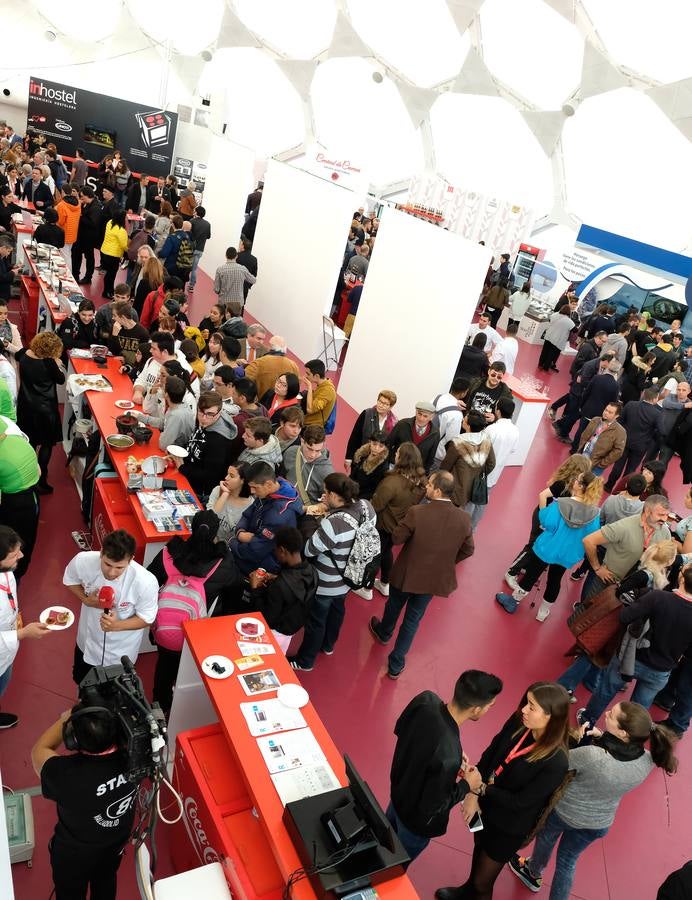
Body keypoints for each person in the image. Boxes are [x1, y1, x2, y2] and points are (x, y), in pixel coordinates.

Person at [511, 701, 677, 900]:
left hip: (565, 813)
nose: (606, 713)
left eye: (612, 715)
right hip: (599, 823)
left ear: (623, 733)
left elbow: (558, 763)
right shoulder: (648, 759)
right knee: (567, 862)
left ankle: (533, 871)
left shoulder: (593, 755)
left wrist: (576, 739)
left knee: (546, 839)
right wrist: (603, 737)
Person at [435, 683, 570, 900]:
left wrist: (480, 789)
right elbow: (492, 752)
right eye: (527, 702)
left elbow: (521, 802)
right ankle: (466, 892)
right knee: (478, 854)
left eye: (532, 706)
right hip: (485, 806)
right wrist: (473, 794)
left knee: (483, 883)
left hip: (508, 827)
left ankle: (473, 891)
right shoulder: (520, 721)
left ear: (550, 716)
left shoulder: (556, 761)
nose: (524, 709)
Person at [387, 671, 503, 861]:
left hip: (397, 797)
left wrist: (449, 758)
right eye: (489, 706)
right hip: (415, 825)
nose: (488, 710)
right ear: (475, 709)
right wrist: (467, 785)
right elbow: (433, 806)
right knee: (393, 867)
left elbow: (402, 730)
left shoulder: (425, 700)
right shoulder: (448, 754)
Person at [369, 470, 474, 678]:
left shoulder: (417, 512)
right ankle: (396, 663)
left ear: (437, 490)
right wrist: (448, 562)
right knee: (413, 620)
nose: (426, 486)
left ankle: (384, 632)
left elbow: (397, 539)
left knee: (394, 605)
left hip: (407, 574)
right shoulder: (464, 518)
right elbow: (468, 549)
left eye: (430, 484)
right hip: (433, 580)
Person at [32, 704, 139, 900]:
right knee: (106, 882)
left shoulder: (64, 775)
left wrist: (66, 717)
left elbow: (39, 751)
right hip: (114, 846)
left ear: (72, 739)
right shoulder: (137, 755)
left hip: (73, 857)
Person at [577, 563, 692, 725]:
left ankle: (587, 720)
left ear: (681, 578)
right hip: (660, 670)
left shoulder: (657, 597)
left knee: (606, 690)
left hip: (631, 658)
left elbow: (625, 616)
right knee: (639, 708)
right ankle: (626, 737)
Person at [148, 510, 238, 713]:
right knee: (192, 672)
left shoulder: (168, 554)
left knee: (164, 668)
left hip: (165, 630)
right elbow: (233, 594)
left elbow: (148, 582)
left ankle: (159, 705)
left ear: (191, 527)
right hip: (200, 633)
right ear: (216, 534)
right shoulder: (223, 564)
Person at [290, 474, 376, 672]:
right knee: (337, 611)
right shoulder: (366, 507)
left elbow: (309, 550)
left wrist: (315, 523)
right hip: (350, 576)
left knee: (316, 620)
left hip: (327, 581)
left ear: (337, 496)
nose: (324, 496)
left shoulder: (334, 523)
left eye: (326, 492)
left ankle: (305, 661)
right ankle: (328, 646)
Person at [496, 471, 603, 621]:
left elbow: (546, 521)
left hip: (547, 548)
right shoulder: (595, 514)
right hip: (567, 553)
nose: (573, 481)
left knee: (532, 574)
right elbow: (591, 535)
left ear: (579, 486)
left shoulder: (562, 504)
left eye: (577, 479)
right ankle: (543, 612)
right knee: (555, 580)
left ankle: (513, 601)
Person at [63, 529, 159, 685]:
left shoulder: (145, 582)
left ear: (131, 560)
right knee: (82, 684)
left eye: (119, 567)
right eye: (107, 564)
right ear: (101, 553)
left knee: (114, 693)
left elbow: (147, 618)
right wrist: (86, 600)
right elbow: (70, 580)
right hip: (87, 641)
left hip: (120, 652)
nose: (112, 572)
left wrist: (117, 625)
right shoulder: (83, 561)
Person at [0, 527, 50, 728]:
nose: (21, 556)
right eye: (13, 555)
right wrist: (23, 633)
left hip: (7, 652)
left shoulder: (7, 571)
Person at [580, 495, 672, 603]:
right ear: (647, 511)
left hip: (634, 589)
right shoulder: (624, 526)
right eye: (660, 515)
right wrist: (597, 568)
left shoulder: (665, 532)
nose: (664, 519)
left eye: (666, 515)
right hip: (608, 581)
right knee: (588, 611)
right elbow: (589, 541)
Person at [365, 443, 427, 602]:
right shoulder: (420, 483)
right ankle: (385, 583)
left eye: (398, 453)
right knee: (386, 552)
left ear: (403, 458)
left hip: (383, 525)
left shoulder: (392, 482)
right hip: (398, 527)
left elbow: (376, 505)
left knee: (375, 556)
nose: (395, 454)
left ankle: (366, 587)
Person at [241, 526, 317, 650]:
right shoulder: (313, 572)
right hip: (290, 630)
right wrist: (276, 577)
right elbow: (297, 586)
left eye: (275, 550)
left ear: (282, 550)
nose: (275, 553)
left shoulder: (280, 587)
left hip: (272, 633)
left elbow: (265, 618)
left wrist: (254, 587)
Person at [229, 461, 303, 575]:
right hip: (248, 547)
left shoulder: (279, 515)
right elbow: (247, 515)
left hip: (264, 564)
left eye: (255, 487)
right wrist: (240, 533)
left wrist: (232, 542)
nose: (252, 492)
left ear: (268, 484)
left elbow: (254, 551)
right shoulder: (270, 491)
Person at [16, 332, 65, 494]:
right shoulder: (50, 363)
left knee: (29, 442)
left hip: (25, 407)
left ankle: (28, 476)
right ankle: (41, 480)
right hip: (45, 410)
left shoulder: (24, 355)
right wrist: (57, 363)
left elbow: (17, 354)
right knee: (46, 444)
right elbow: (61, 379)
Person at [172, 391, 236, 502]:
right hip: (186, 473)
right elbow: (195, 442)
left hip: (199, 492)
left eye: (210, 414)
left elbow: (210, 475)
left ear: (220, 412)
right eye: (201, 412)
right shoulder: (205, 420)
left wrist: (182, 468)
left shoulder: (219, 440)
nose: (204, 418)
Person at [467, 397, 519, 529]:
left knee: (469, 501)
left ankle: (462, 527)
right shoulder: (515, 431)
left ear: (498, 411)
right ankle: (472, 529)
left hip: (479, 472)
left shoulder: (491, 430)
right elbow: (512, 450)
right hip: (495, 475)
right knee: (482, 502)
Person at [0, 420, 42, 579]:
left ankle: (12, 580)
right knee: (25, 541)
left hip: (16, 504)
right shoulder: (10, 429)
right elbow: (38, 472)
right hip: (31, 497)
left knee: (10, 546)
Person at [604, 388, 662, 491]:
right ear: (655, 399)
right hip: (641, 446)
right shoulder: (657, 413)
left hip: (624, 441)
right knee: (630, 470)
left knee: (617, 466)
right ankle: (622, 489)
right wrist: (650, 437)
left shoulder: (631, 405)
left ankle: (608, 486)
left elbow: (620, 421)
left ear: (644, 395)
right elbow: (659, 431)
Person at [569, 359, 622, 452]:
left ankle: (574, 449)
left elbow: (586, 392)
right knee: (592, 434)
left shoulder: (597, 378)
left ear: (609, 367)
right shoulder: (616, 385)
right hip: (601, 414)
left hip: (588, 409)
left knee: (581, 430)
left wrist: (582, 405)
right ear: (617, 371)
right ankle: (582, 451)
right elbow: (613, 403)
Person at [344, 389, 398, 472]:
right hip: (361, 459)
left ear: (391, 407)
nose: (381, 405)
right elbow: (355, 436)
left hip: (378, 465)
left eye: (385, 404)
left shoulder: (394, 423)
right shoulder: (366, 414)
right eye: (380, 401)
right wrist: (348, 458)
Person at [282, 424, 334, 506]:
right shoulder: (290, 452)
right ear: (302, 441)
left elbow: (329, 502)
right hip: (283, 501)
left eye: (317, 450)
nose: (312, 455)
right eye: (309, 449)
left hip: (306, 513)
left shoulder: (327, 471)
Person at [387, 401, 441, 473]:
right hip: (396, 466)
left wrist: (424, 473)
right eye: (419, 414)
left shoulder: (435, 433)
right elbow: (388, 443)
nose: (421, 418)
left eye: (425, 416)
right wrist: (390, 461)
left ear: (431, 417)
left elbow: (430, 457)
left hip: (415, 472)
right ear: (416, 412)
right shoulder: (402, 424)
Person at [576, 401, 626, 476]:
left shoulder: (620, 431)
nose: (606, 413)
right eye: (606, 410)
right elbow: (584, 436)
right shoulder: (595, 420)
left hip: (596, 466)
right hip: (582, 457)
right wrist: (580, 451)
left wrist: (602, 464)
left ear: (616, 416)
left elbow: (618, 451)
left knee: (587, 486)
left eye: (610, 412)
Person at [207, 463, 253, 544]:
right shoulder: (218, 490)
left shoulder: (251, 505)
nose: (226, 478)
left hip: (228, 551)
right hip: (208, 541)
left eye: (231, 476)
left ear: (243, 480)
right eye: (227, 474)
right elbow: (209, 520)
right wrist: (224, 494)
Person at [432, 378, 469, 466]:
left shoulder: (437, 398)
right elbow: (451, 439)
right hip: (437, 454)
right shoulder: (457, 414)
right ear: (463, 393)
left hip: (422, 444)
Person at [348, 429, 390, 502]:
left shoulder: (383, 467)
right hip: (351, 492)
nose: (376, 448)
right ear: (370, 442)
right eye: (374, 444)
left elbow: (374, 490)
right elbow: (353, 475)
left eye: (381, 446)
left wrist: (356, 499)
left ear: (385, 447)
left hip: (363, 499)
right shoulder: (361, 455)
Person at [71, 186, 102, 284]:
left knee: (89, 257)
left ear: (88, 195)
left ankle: (88, 277)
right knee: (76, 255)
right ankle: (75, 274)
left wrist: (80, 217)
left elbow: (93, 223)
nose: (81, 198)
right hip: (80, 236)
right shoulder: (86, 204)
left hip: (89, 238)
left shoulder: (96, 207)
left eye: (82, 196)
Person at [214, 246, 256, 316]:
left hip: (224, 302)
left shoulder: (220, 269)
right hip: (238, 303)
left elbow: (216, 289)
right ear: (236, 256)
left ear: (226, 255)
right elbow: (253, 280)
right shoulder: (242, 269)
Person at [108, 301, 150, 368]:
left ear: (123, 317)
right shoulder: (115, 328)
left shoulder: (143, 333)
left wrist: (126, 360)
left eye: (114, 315)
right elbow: (112, 352)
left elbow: (143, 357)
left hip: (132, 368)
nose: (113, 318)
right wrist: (114, 335)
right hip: (115, 364)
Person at [99, 208, 128, 300]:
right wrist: (129, 251)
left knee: (108, 274)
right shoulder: (121, 231)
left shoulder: (110, 222)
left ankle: (107, 290)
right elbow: (124, 245)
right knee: (111, 275)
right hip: (113, 255)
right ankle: (108, 292)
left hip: (104, 251)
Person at [158, 214, 194, 284]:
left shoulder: (172, 237)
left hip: (171, 267)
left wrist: (158, 252)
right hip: (183, 267)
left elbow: (164, 254)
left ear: (173, 225)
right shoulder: (186, 236)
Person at [301, 358, 337, 428]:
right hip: (308, 422)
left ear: (316, 376)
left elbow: (310, 409)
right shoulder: (323, 384)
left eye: (308, 374)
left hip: (311, 427)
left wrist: (309, 386)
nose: (305, 376)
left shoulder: (327, 390)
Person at [188, 206, 211, 291]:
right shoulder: (207, 224)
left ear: (196, 212)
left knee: (186, 266)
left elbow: (189, 234)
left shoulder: (192, 221)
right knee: (194, 268)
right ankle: (191, 286)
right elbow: (208, 236)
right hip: (200, 249)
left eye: (194, 211)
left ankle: (184, 281)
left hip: (191, 248)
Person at [236, 235, 258, 301]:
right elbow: (254, 274)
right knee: (240, 305)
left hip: (234, 284)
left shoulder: (237, 255)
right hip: (245, 287)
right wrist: (248, 285)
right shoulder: (254, 259)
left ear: (243, 246)